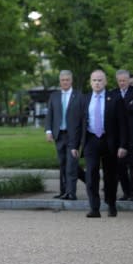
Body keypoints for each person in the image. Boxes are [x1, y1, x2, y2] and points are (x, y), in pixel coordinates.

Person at [71, 69, 128, 218]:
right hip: (91, 140)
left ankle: (111, 203)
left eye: (100, 80)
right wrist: (75, 146)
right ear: (90, 82)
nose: (97, 83)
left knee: (110, 175)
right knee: (91, 174)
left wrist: (123, 145)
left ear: (106, 82)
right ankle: (94, 208)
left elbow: (123, 124)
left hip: (109, 141)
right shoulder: (84, 99)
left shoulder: (114, 98)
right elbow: (78, 124)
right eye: (94, 80)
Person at [44, 70, 84, 200]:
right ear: (60, 81)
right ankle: (63, 191)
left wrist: (82, 137)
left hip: (73, 135)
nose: (65, 82)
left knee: (71, 165)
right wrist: (48, 131)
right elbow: (50, 114)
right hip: (59, 135)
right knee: (62, 164)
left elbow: (83, 118)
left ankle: (71, 193)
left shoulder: (79, 96)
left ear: (71, 81)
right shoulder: (54, 96)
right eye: (63, 80)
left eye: (67, 80)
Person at [115, 69, 133, 201]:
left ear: (129, 80)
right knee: (120, 165)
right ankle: (126, 191)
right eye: (119, 81)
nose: (122, 83)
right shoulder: (113, 94)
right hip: (118, 136)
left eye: (124, 80)